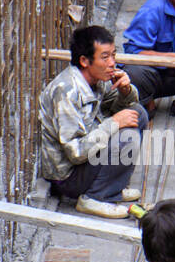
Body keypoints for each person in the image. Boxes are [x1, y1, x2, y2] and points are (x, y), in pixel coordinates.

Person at [38, 24, 149, 219]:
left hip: (88, 160)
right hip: (68, 177)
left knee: (137, 112)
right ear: (84, 61)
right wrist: (113, 122)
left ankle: (113, 187)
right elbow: (76, 153)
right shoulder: (66, 91)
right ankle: (94, 197)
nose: (112, 63)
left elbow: (120, 106)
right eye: (105, 57)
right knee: (127, 135)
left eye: (114, 55)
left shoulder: (99, 79)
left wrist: (125, 91)